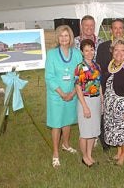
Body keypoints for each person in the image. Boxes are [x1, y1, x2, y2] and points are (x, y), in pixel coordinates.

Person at [96, 18, 124, 151]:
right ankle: (110, 145)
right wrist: (102, 93)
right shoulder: (103, 47)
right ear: (111, 30)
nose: (118, 31)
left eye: (121, 28)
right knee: (113, 125)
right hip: (109, 96)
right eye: (115, 28)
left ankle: (123, 154)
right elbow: (100, 71)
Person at [45, 25, 82, 168]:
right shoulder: (52, 54)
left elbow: (80, 74)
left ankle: (66, 145)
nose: (64, 38)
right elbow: (49, 77)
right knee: (56, 123)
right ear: (57, 37)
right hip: (56, 95)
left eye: (66, 35)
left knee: (67, 120)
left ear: (71, 37)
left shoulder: (77, 53)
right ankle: (55, 153)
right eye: (61, 35)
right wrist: (62, 93)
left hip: (72, 93)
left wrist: (72, 92)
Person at [75, 39, 102, 167]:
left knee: (93, 131)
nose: (89, 52)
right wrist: (85, 106)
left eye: (91, 49)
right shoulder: (80, 67)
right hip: (85, 101)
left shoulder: (97, 66)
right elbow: (78, 87)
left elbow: (99, 84)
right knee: (85, 132)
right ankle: (84, 157)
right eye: (86, 50)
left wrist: (101, 98)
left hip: (96, 100)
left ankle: (90, 155)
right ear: (82, 52)